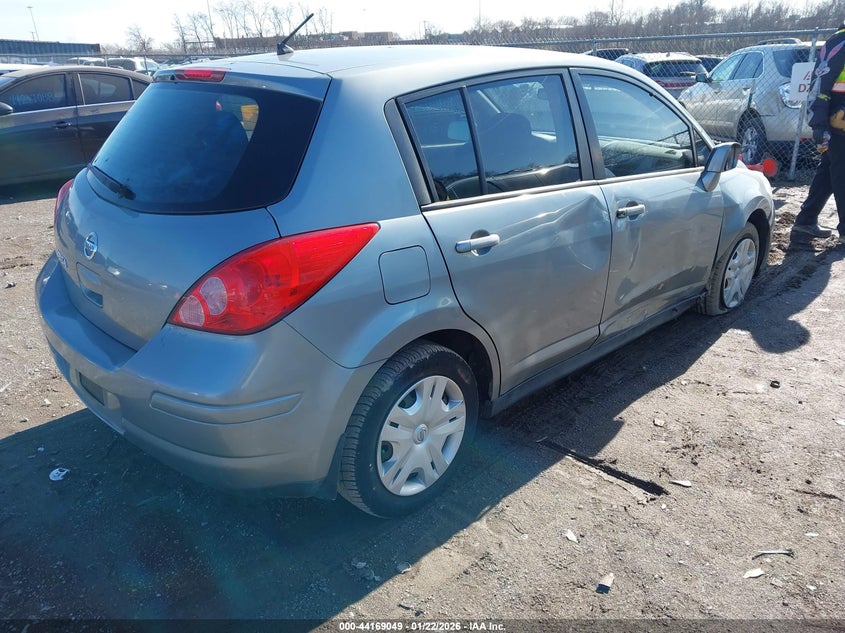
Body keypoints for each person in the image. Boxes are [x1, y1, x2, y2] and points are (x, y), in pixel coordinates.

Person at [794, 22, 845, 243]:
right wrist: (819, 124)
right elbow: (820, 86)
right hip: (838, 121)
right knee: (841, 173)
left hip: (837, 120)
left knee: (829, 171)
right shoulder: (840, 42)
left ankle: (805, 222)